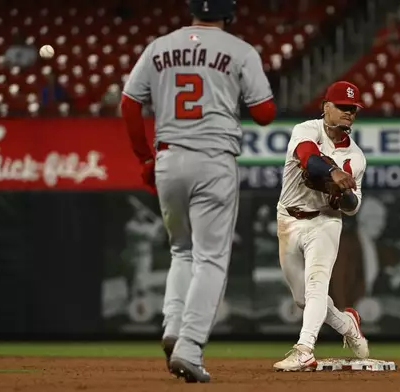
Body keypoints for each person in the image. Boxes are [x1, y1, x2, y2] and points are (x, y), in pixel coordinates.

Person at [121, 0, 275, 383]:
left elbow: (128, 104)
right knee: (211, 258)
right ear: (229, 13)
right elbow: (265, 113)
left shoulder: (159, 46)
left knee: (181, 249)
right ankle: (189, 346)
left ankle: (173, 325)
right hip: (213, 158)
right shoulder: (239, 49)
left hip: (169, 158)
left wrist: (145, 158)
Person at [273, 81, 369, 372]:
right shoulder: (306, 129)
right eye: (342, 107)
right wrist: (331, 172)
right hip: (289, 219)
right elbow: (307, 157)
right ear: (326, 107)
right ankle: (348, 325)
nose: (348, 113)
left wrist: (343, 197)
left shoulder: (357, 158)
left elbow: (353, 207)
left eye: (352, 109)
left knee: (317, 286)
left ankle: (304, 350)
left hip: (325, 221)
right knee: (303, 299)